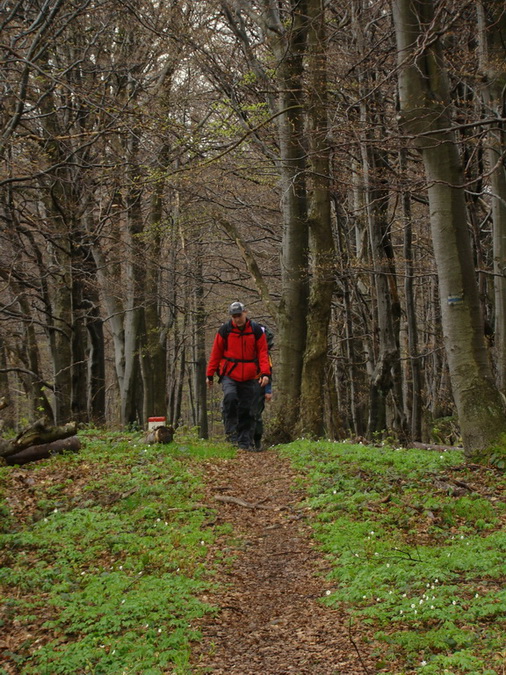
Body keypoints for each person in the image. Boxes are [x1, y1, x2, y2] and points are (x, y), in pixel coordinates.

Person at [207, 302, 271, 451]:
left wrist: (265, 373)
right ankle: (231, 435)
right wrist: (209, 374)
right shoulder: (225, 330)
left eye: (239, 315)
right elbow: (216, 353)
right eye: (234, 316)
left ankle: (244, 442)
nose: (237, 319)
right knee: (230, 398)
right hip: (230, 373)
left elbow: (263, 353)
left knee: (247, 408)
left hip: (250, 375)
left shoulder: (256, 331)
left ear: (245, 313)